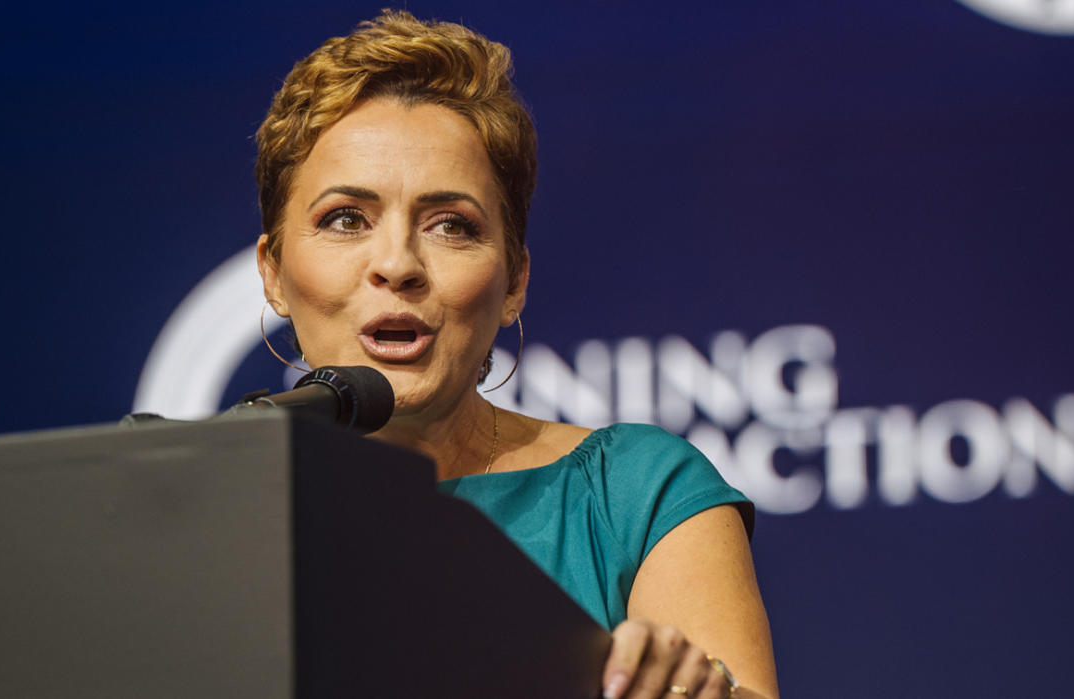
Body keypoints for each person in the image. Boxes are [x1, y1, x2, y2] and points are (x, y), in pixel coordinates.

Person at [254, 10, 778, 699]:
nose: (397, 263)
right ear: (273, 272)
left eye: (451, 225)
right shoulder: (214, 528)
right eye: (346, 219)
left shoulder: (634, 494)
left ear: (514, 282)